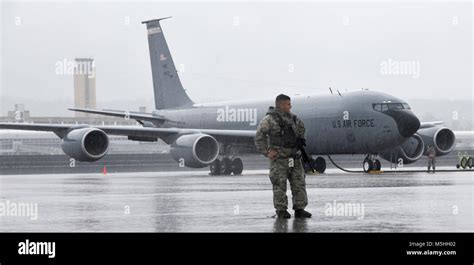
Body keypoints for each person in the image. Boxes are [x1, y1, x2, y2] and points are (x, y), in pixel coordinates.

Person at [255, 94, 312, 219]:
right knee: (279, 185)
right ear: (280, 105)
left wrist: (301, 140)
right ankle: (281, 211)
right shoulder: (269, 120)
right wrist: (267, 152)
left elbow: (302, 130)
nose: (290, 106)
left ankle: (300, 209)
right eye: (288, 104)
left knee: (299, 183)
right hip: (279, 159)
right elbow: (259, 136)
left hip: (294, 158)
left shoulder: (294, 119)